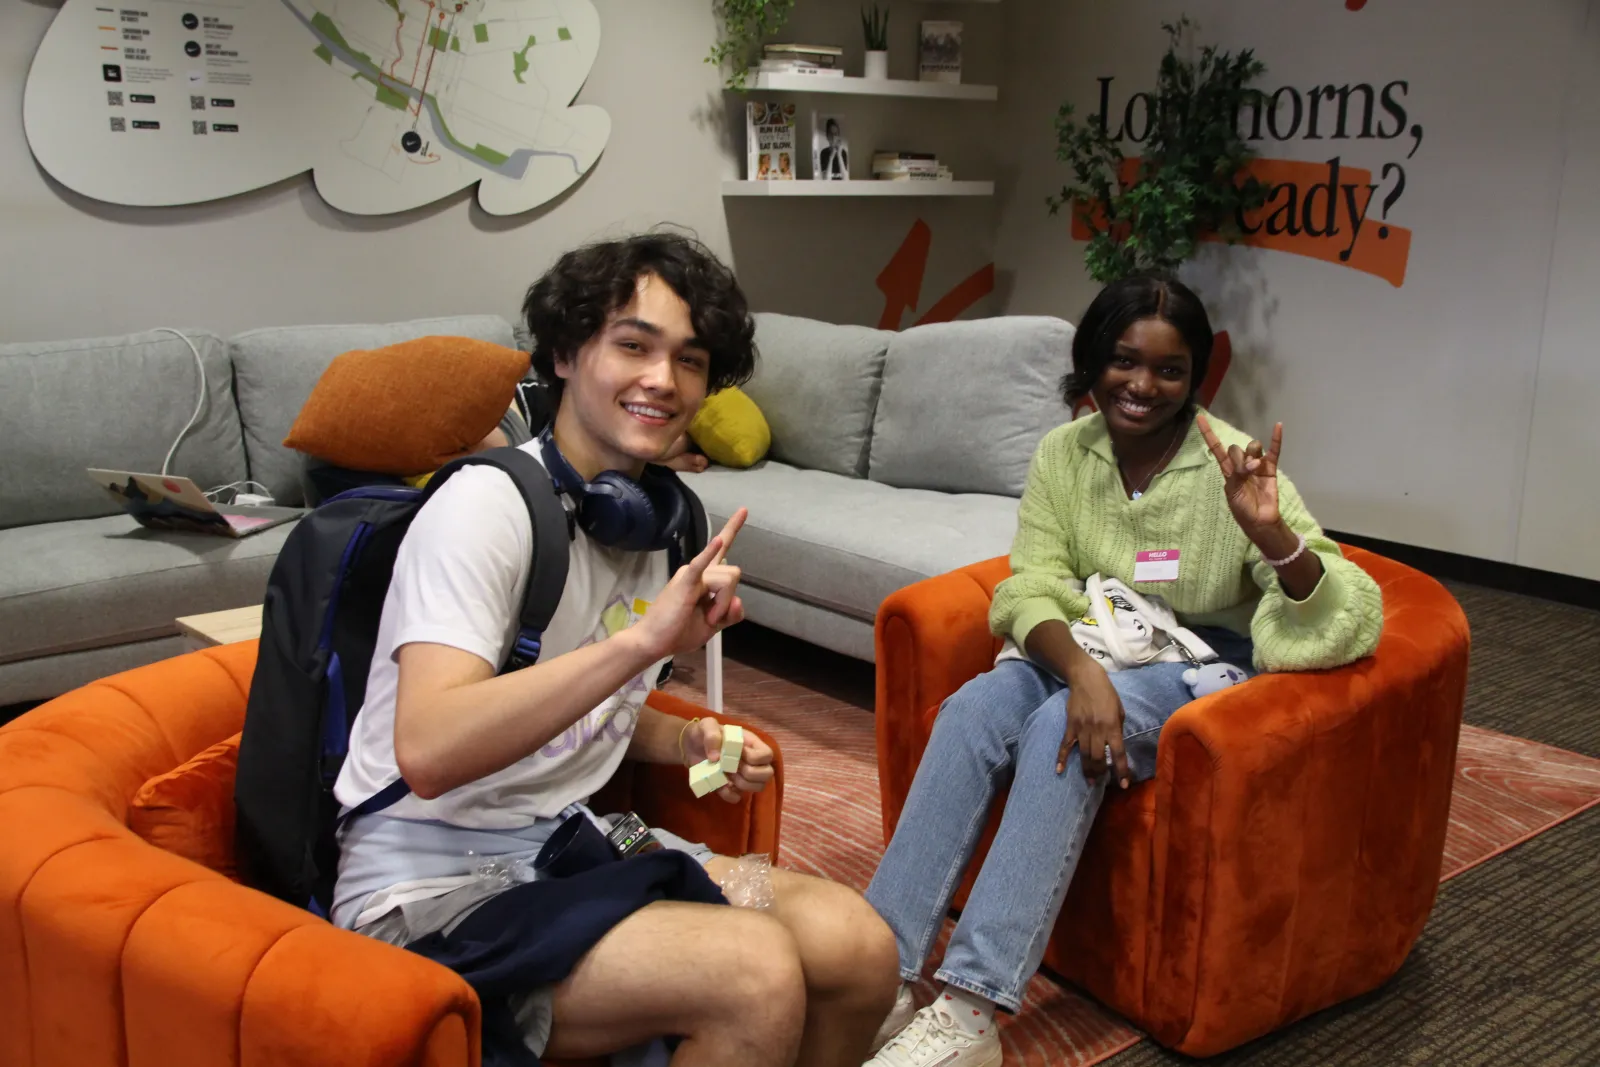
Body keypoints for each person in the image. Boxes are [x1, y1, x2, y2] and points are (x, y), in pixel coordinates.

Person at [332, 231, 899, 1066]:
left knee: (858, 948)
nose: (663, 380)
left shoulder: (668, 524)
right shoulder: (484, 508)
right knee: (754, 973)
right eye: (633, 345)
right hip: (426, 885)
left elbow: (572, 706)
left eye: (691, 360)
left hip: (571, 842)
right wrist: (641, 644)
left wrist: (683, 737)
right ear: (565, 352)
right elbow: (428, 749)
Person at [861, 274, 1385, 1067]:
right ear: (1093, 361)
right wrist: (1084, 672)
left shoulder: (1229, 462)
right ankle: (877, 975)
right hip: (1091, 644)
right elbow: (1029, 583)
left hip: (1199, 664)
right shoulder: (1064, 453)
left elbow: (1352, 611)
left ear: (1194, 379)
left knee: (1055, 733)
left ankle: (971, 1006)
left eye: (1168, 370)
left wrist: (1273, 536)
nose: (1141, 385)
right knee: (972, 710)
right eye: (1123, 361)